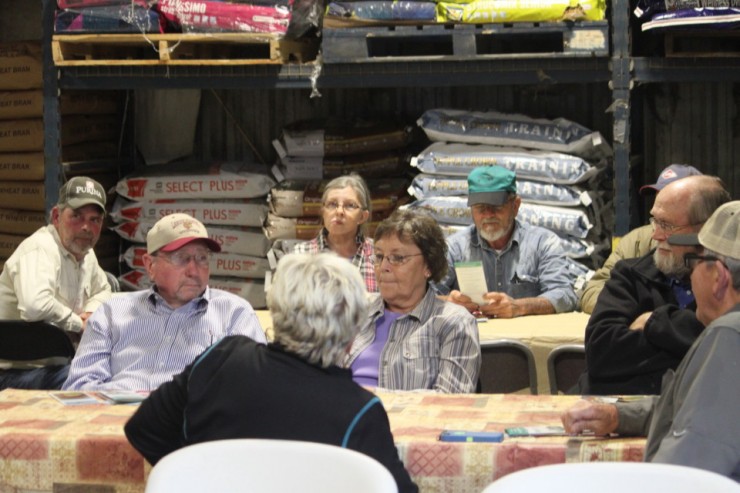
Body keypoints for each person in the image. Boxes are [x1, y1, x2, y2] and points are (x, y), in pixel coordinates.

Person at [124, 252, 418, 493]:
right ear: (354, 328)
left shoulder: (222, 360)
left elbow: (143, 429)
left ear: (277, 312)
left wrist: (201, 476)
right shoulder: (359, 412)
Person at [562, 201, 740, 482]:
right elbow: (693, 411)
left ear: (719, 277)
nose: (691, 274)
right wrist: (620, 416)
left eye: (695, 261)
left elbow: (685, 472)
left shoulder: (728, 336)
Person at [62, 213, 266, 391]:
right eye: (181, 258)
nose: (194, 270)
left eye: (202, 258)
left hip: (196, 426)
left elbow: (255, 386)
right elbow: (78, 388)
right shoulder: (112, 313)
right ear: (150, 265)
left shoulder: (234, 314)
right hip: (119, 422)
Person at [579, 175, 731, 395]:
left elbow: (726, 348)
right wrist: (690, 342)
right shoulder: (630, 275)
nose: (656, 234)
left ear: (706, 229)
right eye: (654, 221)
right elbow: (601, 354)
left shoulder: (729, 280)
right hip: (616, 411)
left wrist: (654, 321)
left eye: (667, 225)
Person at [346, 208, 480, 393]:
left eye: (398, 258)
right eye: (379, 256)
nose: (383, 267)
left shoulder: (453, 323)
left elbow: (450, 401)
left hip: (406, 421)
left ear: (428, 266)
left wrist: (365, 397)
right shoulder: (355, 312)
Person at [0, 176, 111, 390]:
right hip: (15, 373)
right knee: (88, 380)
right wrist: (78, 324)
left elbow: (104, 289)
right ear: (56, 216)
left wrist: (89, 313)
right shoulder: (40, 249)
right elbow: (34, 306)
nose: (86, 227)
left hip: (57, 366)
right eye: (76, 216)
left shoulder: (85, 252)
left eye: (94, 220)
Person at [436, 165, 577, 318]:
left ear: (515, 206)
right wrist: (448, 302)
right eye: (480, 208)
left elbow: (565, 295)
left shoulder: (542, 243)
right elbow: (422, 296)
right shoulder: (455, 247)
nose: (488, 214)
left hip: (526, 339)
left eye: (496, 206)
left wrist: (520, 307)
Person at [579, 164, 703, 314]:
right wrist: (634, 310)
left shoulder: (717, 250)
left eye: (672, 196)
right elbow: (594, 289)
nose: (658, 234)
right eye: (659, 194)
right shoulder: (635, 242)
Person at [292, 173, 377, 292]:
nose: (339, 211)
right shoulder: (300, 255)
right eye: (332, 204)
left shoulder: (379, 255)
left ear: (362, 217)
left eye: (350, 205)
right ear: (323, 211)